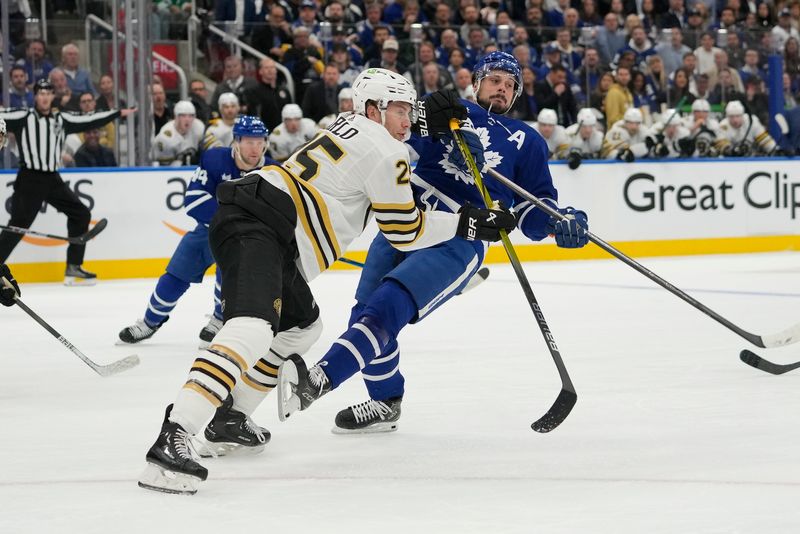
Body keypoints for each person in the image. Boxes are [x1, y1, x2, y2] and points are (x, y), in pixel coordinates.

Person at [137, 69, 515, 494]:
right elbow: (404, 230)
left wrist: (427, 120)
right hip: (263, 223)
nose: (408, 119)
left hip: (263, 218)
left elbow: (393, 140)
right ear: (374, 109)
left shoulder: (348, 124)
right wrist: (467, 223)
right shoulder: (386, 151)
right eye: (401, 109)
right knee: (253, 326)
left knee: (302, 327)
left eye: (412, 110)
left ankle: (231, 417)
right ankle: (175, 435)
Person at [276, 52, 591, 434]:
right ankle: (386, 401)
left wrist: (563, 223)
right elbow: (401, 125)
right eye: (494, 80)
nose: (502, 89)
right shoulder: (447, 109)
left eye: (510, 86)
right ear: (475, 83)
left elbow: (533, 211)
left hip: (462, 235)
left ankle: (318, 380)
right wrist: (441, 123)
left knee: (386, 305)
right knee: (363, 314)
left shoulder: (527, 142)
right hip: (408, 220)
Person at [120, 116, 275, 346]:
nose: (255, 148)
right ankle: (149, 322)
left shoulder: (273, 172)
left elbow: (278, 213)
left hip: (245, 240)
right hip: (208, 231)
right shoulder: (214, 159)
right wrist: (232, 221)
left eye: (260, 141)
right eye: (249, 142)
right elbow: (193, 201)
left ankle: (219, 320)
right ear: (237, 141)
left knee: (229, 274)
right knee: (175, 275)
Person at [0, 80, 135, 285]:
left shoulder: (61, 119)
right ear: (35, 97)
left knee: (81, 213)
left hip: (52, 178)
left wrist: (117, 113)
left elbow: (90, 119)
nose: (44, 97)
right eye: (40, 93)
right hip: (29, 179)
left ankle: (74, 267)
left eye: (48, 93)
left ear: (53, 96)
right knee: (17, 227)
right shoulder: (23, 117)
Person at [152, 101, 205, 166]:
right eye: (183, 116)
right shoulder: (166, 136)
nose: (187, 119)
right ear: (176, 117)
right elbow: (164, 166)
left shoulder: (199, 127)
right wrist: (185, 162)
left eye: (191, 116)